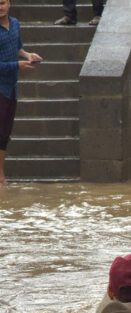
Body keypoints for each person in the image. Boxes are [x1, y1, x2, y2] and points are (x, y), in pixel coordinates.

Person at [0, 0, 42, 186]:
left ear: (9, 4)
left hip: (12, 87)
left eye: (2, 3)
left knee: (5, 133)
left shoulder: (15, 23)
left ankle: (1, 173)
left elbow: (18, 48)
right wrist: (17, 65)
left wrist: (27, 56)